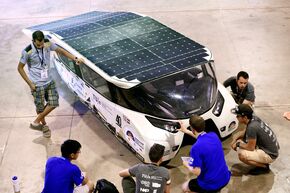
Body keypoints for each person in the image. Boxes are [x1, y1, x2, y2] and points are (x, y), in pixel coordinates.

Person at [17, 30, 84, 137]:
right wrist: (30, 84)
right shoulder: (27, 51)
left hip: (49, 80)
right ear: (33, 41)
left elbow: (61, 51)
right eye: (38, 44)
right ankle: (44, 126)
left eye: (42, 43)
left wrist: (75, 58)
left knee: (54, 102)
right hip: (36, 84)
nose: (41, 46)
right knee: (40, 108)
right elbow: (20, 68)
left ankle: (36, 121)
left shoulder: (47, 43)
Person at [179, 115, 231, 193]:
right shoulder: (214, 135)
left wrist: (187, 164)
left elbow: (197, 172)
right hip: (225, 177)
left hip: (211, 184)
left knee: (184, 187)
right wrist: (186, 131)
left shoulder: (195, 148)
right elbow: (200, 136)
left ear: (192, 128)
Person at [231, 104, 280, 175]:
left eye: (238, 116)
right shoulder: (253, 118)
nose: (236, 117)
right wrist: (234, 139)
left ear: (244, 117)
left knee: (241, 154)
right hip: (273, 148)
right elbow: (245, 131)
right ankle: (261, 160)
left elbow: (250, 148)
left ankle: (264, 167)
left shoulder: (252, 127)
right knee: (241, 138)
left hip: (270, 154)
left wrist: (238, 144)